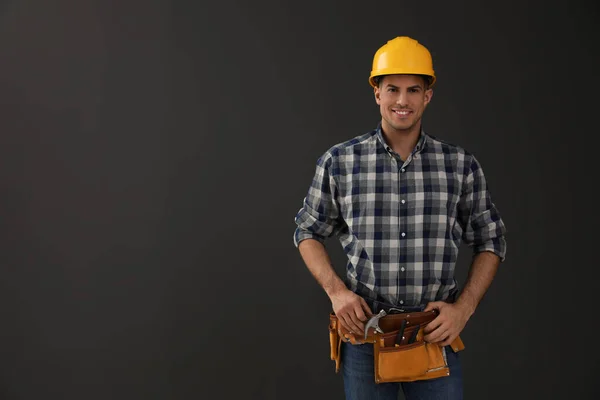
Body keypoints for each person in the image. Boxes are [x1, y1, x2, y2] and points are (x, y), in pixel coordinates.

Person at [292, 36, 507, 399]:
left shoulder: (459, 166)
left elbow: (492, 240)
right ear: (377, 93)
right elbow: (307, 230)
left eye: (413, 90)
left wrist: (463, 309)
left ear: (428, 96)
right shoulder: (340, 163)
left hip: (434, 335)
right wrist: (337, 292)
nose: (402, 101)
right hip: (365, 337)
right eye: (392, 89)